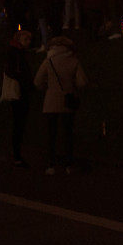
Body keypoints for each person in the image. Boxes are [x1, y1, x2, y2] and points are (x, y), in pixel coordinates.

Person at [34, 36, 88, 175]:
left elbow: (38, 81)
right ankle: (68, 164)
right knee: (68, 134)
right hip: (67, 101)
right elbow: (82, 82)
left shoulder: (49, 61)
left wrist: (49, 87)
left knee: (52, 134)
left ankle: (51, 164)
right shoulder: (74, 61)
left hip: (51, 101)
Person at [4, 30, 34, 167]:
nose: (28, 42)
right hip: (20, 92)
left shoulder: (17, 52)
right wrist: (25, 81)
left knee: (18, 123)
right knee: (18, 123)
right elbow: (13, 71)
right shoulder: (16, 53)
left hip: (21, 91)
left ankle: (17, 153)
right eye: (26, 40)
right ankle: (17, 154)